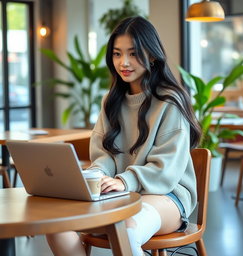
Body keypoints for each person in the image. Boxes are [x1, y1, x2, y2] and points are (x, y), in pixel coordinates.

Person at [46, 16, 201, 256]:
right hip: (121, 194)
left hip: (167, 196)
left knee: (125, 228)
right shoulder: (111, 101)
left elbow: (166, 169)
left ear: (151, 55)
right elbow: (104, 155)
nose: (124, 62)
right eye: (117, 54)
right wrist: (96, 177)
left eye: (133, 53)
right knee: (55, 223)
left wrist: (125, 181)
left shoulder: (170, 102)